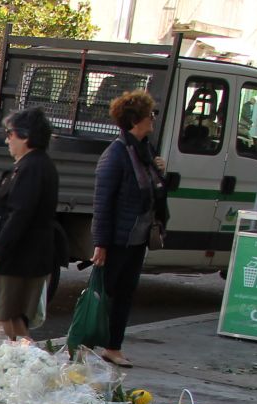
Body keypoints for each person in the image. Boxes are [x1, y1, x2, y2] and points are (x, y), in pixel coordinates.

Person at [91, 89, 169, 368]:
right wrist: (100, 243)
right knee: (103, 294)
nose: (153, 120)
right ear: (136, 120)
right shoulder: (116, 155)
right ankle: (86, 342)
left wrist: (160, 172)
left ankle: (114, 346)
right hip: (118, 239)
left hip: (138, 237)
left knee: (125, 293)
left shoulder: (145, 152)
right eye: (151, 116)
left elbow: (156, 192)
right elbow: (103, 202)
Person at [0, 107, 59, 342]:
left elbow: (20, 214)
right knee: (12, 318)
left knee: (3, 317)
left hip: (18, 257)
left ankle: (21, 363)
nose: (7, 140)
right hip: (25, 255)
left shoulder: (31, 167)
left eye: (10, 134)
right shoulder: (34, 165)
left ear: (25, 136)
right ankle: (25, 362)